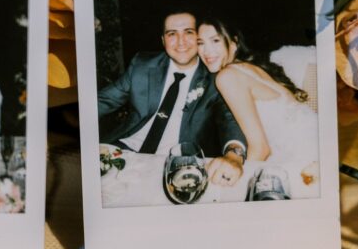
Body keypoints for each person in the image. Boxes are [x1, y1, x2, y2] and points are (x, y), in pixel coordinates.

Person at [97, 11, 247, 186]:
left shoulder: (215, 79)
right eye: (172, 34)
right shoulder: (142, 65)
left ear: (198, 37)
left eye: (188, 32)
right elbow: (103, 101)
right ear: (163, 40)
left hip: (175, 167)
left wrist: (234, 155)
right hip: (121, 152)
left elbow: (229, 120)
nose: (181, 41)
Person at [196, 17, 319, 182]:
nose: (207, 51)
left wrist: (241, 180)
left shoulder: (227, 76)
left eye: (215, 41)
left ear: (234, 43)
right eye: (200, 43)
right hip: (316, 144)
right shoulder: (246, 67)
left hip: (303, 160)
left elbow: (260, 149)